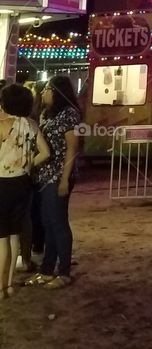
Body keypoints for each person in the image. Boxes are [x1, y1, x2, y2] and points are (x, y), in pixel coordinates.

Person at [26, 75, 81, 290]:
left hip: (59, 175)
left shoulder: (70, 115)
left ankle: (64, 271)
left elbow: (72, 148)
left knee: (58, 223)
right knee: (47, 222)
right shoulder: (46, 114)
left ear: (57, 92)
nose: (42, 93)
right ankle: (47, 269)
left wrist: (64, 179)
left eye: (47, 89)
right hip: (44, 176)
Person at [0, 82, 50, 298]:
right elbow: (45, 152)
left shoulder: (2, 124)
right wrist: (28, 164)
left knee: (1, 238)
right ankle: (9, 284)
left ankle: (0, 287)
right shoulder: (31, 124)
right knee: (13, 236)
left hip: (2, 183)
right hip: (23, 183)